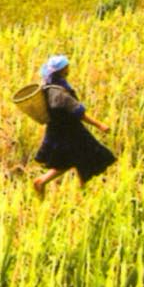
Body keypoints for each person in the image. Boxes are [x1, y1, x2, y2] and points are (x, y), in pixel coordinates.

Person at [31, 54, 116, 195]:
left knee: (75, 159)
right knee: (86, 157)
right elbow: (79, 112)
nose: (68, 69)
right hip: (70, 131)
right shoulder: (59, 93)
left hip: (61, 130)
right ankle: (42, 182)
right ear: (62, 70)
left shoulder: (49, 87)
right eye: (66, 67)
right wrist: (100, 125)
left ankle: (82, 190)